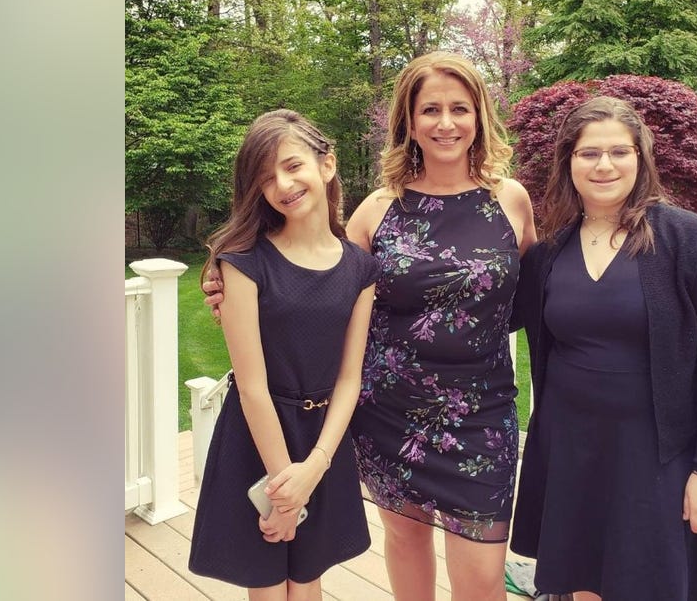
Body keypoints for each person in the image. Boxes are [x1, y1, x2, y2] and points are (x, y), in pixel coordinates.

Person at [205, 51, 537, 601]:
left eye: (460, 108)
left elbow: (533, 298)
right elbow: (317, 280)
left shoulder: (512, 201)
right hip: (390, 413)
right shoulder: (379, 209)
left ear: (479, 115)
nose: (446, 123)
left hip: (482, 414)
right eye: (430, 109)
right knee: (405, 551)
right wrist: (227, 285)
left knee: (480, 580)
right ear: (409, 121)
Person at [509, 96, 697, 600]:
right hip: (571, 449)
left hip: (656, 455)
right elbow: (488, 318)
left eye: (619, 151)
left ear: (641, 159)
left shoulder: (689, 240)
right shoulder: (549, 253)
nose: (604, 165)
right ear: (568, 162)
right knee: (582, 587)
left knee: (651, 585)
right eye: (588, 153)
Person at [188, 110, 380, 601]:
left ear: (327, 165)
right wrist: (284, 490)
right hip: (258, 439)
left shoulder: (360, 267)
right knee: (270, 585)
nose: (283, 183)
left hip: (323, 441)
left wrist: (315, 466)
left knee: (309, 578)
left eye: (293, 166)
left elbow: (348, 378)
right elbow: (251, 387)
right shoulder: (244, 263)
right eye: (266, 177)